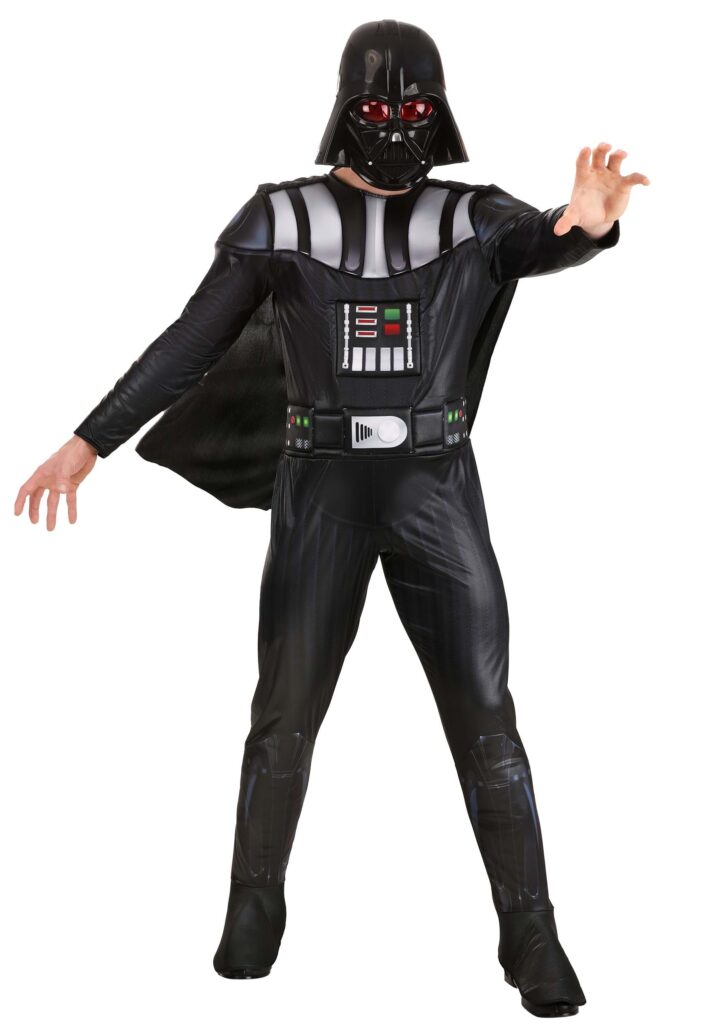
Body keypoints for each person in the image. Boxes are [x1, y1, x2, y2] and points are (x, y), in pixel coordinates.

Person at [14, 19, 648, 1018]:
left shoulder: (473, 215)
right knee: (285, 711)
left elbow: (544, 239)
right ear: (347, 110)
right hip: (321, 492)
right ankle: (253, 905)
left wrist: (589, 226)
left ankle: (530, 931)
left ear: (439, 113)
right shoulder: (282, 217)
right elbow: (190, 341)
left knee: (486, 717)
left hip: (436, 490)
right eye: (380, 107)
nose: (396, 125)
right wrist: (89, 441)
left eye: (414, 107)